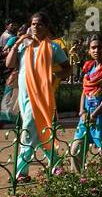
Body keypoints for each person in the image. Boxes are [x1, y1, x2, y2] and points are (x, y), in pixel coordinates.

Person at [5, 12, 68, 181]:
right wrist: (18, 41)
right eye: (33, 24)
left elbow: (67, 68)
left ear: (46, 27)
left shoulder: (53, 47)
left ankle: (20, 173)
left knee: (28, 131)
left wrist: (55, 77)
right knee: (40, 132)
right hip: (25, 95)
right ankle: (57, 166)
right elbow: (9, 64)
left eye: (40, 24)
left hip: (42, 96)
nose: (35, 27)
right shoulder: (23, 45)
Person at [72, 34, 102, 165]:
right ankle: (78, 180)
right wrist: (82, 112)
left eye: (100, 47)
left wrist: (95, 114)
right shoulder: (88, 67)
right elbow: (84, 91)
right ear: (89, 50)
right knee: (76, 149)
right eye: (93, 47)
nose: (96, 50)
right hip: (86, 115)